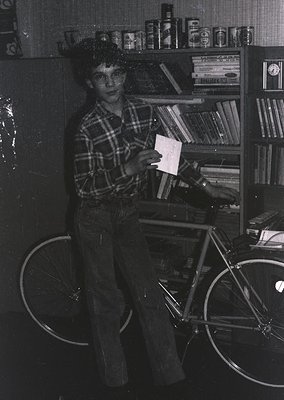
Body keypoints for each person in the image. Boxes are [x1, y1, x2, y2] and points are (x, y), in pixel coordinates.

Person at [71, 40, 239, 400]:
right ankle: (114, 383)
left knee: (149, 296)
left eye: (116, 74)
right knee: (107, 304)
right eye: (101, 77)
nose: (110, 83)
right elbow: (84, 188)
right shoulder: (86, 126)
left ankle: (171, 378)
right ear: (89, 83)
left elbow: (168, 157)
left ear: (125, 75)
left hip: (127, 212)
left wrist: (207, 186)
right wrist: (127, 168)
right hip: (95, 217)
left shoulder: (142, 112)